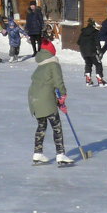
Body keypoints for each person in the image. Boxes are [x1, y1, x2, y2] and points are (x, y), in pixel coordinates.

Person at [28, 33, 73, 166]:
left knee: (41, 125)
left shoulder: (40, 66)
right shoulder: (53, 64)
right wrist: (63, 97)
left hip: (34, 99)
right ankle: (61, 155)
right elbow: (58, 83)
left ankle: (37, 153)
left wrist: (59, 102)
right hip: (45, 98)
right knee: (56, 126)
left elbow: (47, 85)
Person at [78, 17, 107, 87]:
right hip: (92, 51)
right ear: (94, 24)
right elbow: (97, 42)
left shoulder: (83, 32)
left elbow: (78, 42)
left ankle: (88, 79)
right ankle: (100, 79)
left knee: (88, 63)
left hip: (83, 52)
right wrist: (100, 51)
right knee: (98, 63)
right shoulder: (95, 32)